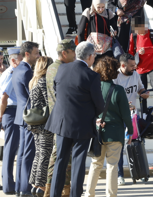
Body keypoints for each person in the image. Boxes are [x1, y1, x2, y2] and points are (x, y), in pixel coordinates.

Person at [44, 42, 104, 197]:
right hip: (82, 124)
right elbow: (99, 103)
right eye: (94, 56)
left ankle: (54, 194)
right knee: (78, 162)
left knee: (60, 160)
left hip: (62, 122)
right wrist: (96, 114)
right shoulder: (92, 76)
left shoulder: (62, 68)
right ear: (90, 56)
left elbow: (57, 90)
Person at [85, 56, 134, 197]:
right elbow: (125, 115)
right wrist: (130, 131)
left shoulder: (92, 88)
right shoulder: (118, 90)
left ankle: (89, 194)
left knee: (95, 164)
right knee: (112, 166)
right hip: (115, 132)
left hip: (97, 132)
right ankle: (111, 195)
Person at [44, 40, 76, 197]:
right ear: (65, 53)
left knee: (60, 154)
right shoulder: (63, 69)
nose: (75, 55)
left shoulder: (51, 68)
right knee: (61, 155)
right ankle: (59, 189)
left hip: (56, 116)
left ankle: (55, 188)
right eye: (73, 51)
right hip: (64, 117)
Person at [112, 53, 149, 185]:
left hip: (133, 115)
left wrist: (144, 93)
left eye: (135, 65)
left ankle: (141, 172)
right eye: (132, 65)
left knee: (138, 143)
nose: (135, 67)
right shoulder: (114, 77)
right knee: (119, 147)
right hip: (119, 117)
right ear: (122, 65)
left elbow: (140, 88)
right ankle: (119, 175)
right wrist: (124, 105)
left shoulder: (135, 74)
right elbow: (112, 98)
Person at [12, 41, 40, 197]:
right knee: (28, 154)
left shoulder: (18, 69)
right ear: (27, 54)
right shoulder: (27, 72)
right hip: (29, 117)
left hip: (21, 116)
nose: (38, 56)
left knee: (23, 154)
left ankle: (19, 188)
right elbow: (33, 96)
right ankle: (25, 189)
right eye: (36, 53)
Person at [28, 56, 54, 197]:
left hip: (35, 123)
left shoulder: (34, 81)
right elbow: (50, 102)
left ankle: (35, 184)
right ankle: (41, 186)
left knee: (39, 153)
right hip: (45, 123)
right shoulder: (44, 82)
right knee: (45, 154)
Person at [128, 18, 153, 114]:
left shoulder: (151, 33)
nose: (139, 31)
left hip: (152, 65)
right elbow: (131, 52)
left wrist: (146, 50)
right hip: (140, 67)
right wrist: (132, 64)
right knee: (142, 91)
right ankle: (144, 111)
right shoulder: (134, 36)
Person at [0, 47, 23, 195]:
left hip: (12, 112)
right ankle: (8, 186)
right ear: (14, 59)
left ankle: (10, 183)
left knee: (12, 149)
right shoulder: (11, 73)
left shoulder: (11, 71)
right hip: (11, 112)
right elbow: (4, 97)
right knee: (10, 150)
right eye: (21, 58)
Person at [77, 0, 118, 64]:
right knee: (95, 67)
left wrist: (115, 31)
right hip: (93, 45)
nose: (101, 9)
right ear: (94, 5)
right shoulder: (89, 12)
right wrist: (82, 46)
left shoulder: (108, 13)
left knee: (108, 66)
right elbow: (81, 30)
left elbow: (114, 26)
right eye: (98, 7)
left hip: (106, 46)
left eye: (103, 7)